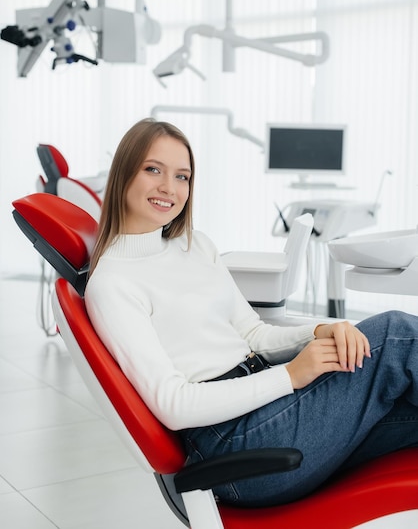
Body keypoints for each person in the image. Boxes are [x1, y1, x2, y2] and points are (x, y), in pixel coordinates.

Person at [85, 117, 418, 507]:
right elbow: (173, 405)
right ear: (124, 172)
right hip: (235, 447)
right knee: (394, 336)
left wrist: (319, 333)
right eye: (153, 170)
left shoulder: (196, 246)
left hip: (268, 409)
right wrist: (291, 376)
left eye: (182, 176)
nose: (168, 188)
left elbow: (254, 335)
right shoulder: (113, 284)